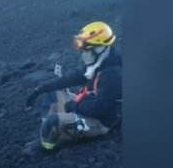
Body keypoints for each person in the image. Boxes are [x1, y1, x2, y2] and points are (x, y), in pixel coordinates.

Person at [24, 21, 123, 151]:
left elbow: (100, 108)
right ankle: (53, 131)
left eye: (86, 49)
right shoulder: (98, 64)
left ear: (99, 49)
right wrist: (39, 90)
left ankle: (47, 146)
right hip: (89, 105)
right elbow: (69, 79)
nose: (83, 53)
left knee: (53, 121)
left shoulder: (111, 74)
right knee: (53, 94)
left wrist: (74, 106)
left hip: (101, 121)